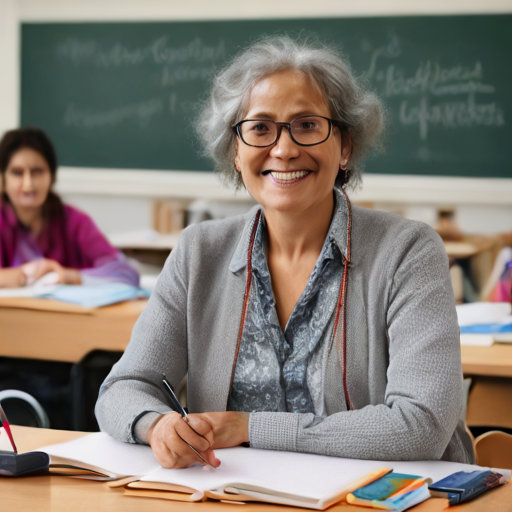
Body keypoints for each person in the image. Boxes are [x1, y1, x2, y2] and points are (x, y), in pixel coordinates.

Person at [96, 36, 474, 468]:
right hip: (237, 494)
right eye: (260, 128)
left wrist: (249, 427)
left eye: (307, 124)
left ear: (345, 146)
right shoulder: (198, 252)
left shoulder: (408, 251)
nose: (284, 148)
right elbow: (123, 388)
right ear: (235, 152)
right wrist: (156, 425)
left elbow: (421, 425)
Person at [0, 127, 139, 288]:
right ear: (3, 178)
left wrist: (68, 276)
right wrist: (22, 275)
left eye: (36, 172)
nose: (28, 184)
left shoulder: (76, 222)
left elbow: (127, 274)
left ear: (51, 176)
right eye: (17, 173)